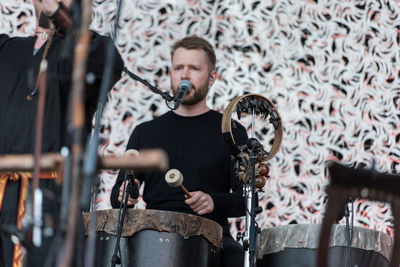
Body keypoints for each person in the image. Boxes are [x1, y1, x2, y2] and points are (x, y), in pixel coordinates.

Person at [0, 0, 123, 266]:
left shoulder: (87, 51)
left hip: (49, 196)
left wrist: (61, 16)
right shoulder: (7, 49)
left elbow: (107, 63)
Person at [111, 36, 247, 267]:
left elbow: (246, 200)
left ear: (212, 77)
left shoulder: (231, 131)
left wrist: (213, 202)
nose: (185, 75)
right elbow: (118, 195)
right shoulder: (145, 132)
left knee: (235, 257)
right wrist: (125, 193)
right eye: (178, 68)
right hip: (152, 235)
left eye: (194, 68)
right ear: (171, 74)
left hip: (210, 237)